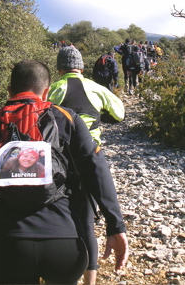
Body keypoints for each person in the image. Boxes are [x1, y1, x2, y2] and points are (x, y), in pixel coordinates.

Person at [0, 60, 128, 285]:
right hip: (65, 242)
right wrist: (115, 225)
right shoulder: (67, 118)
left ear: (9, 90)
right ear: (47, 91)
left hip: (9, 243)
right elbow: (96, 167)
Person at [47, 47, 125, 285]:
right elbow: (119, 114)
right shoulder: (97, 88)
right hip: (92, 158)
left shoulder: (55, 89)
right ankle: (90, 280)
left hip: (60, 161)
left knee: (58, 217)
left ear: (60, 68)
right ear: (80, 67)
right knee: (87, 222)